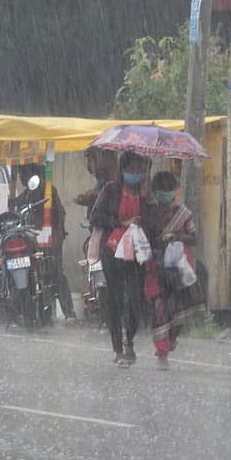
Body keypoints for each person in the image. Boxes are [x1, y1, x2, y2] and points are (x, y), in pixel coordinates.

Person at [90, 151, 158, 367]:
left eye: (139, 170)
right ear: (123, 170)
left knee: (136, 300)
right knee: (115, 299)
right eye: (131, 170)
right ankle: (118, 348)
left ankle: (130, 341)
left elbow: (154, 225)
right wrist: (121, 222)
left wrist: (148, 207)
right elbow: (96, 216)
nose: (135, 174)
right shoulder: (111, 190)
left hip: (136, 254)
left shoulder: (146, 195)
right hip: (113, 250)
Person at [143, 171, 206, 370]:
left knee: (178, 307)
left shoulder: (183, 214)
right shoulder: (148, 213)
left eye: (169, 190)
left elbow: (194, 237)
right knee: (159, 307)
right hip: (154, 267)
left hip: (177, 266)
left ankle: (171, 340)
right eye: (162, 190)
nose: (166, 194)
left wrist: (177, 238)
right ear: (155, 192)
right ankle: (161, 350)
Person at [11, 163, 76, 322]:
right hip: (32, 238)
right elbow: (19, 204)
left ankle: (68, 312)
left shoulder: (45, 190)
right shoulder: (29, 192)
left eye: (24, 174)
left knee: (55, 274)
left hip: (50, 238)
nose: (22, 178)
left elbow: (52, 214)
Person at [73, 147, 118, 218]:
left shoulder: (111, 178)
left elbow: (108, 201)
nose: (88, 164)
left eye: (90, 160)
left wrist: (94, 197)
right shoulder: (102, 178)